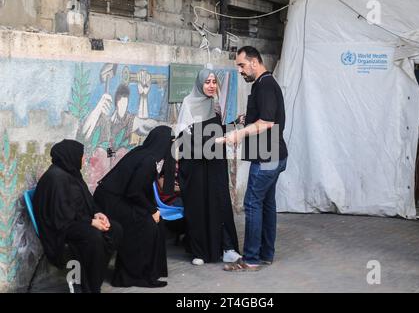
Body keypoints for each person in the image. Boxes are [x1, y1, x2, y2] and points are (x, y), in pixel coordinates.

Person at [221, 46, 288, 271]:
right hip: (273, 155)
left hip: (267, 157)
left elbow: (267, 122)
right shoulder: (262, 84)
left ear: (254, 62)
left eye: (242, 65)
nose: (240, 70)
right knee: (266, 204)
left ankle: (250, 259)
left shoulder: (266, 85)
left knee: (251, 203)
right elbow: (262, 116)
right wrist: (245, 118)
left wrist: (238, 134)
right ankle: (266, 254)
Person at [32, 139, 123, 293]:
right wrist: (91, 222)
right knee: (93, 236)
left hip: (75, 220)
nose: (83, 159)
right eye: (81, 155)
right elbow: (61, 215)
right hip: (59, 228)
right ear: (70, 155)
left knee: (115, 229)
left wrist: (97, 214)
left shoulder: (72, 173)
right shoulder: (55, 178)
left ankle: (94, 274)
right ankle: (90, 287)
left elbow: (86, 200)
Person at [93, 126, 175, 288]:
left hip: (118, 197)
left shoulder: (143, 153)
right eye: (170, 142)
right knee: (144, 223)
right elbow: (134, 192)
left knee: (158, 222)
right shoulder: (148, 160)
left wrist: (154, 210)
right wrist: (151, 211)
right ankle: (132, 276)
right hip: (109, 201)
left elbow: (138, 189)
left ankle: (152, 270)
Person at [176, 68, 242, 266]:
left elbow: (217, 130)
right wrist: (214, 140)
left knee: (219, 202)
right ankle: (199, 251)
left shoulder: (215, 105)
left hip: (214, 162)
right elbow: (184, 135)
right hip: (195, 164)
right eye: (208, 82)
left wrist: (233, 126)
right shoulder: (188, 103)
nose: (212, 85)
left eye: (214, 82)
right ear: (200, 84)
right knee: (199, 205)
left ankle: (226, 248)